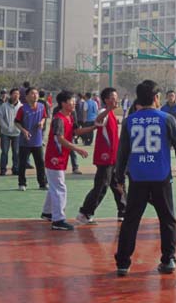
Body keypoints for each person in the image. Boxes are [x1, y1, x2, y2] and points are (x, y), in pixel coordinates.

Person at [114, 80, 176, 276]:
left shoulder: (129, 121)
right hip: (161, 176)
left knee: (131, 220)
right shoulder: (167, 119)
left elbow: (122, 152)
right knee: (167, 219)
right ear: (157, 98)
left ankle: (123, 262)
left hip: (137, 177)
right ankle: (168, 259)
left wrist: (119, 177)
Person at [41, 91, 93, 230]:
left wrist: (94, 127)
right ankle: (58, 220)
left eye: (74, 100)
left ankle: (47, 212)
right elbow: (60, 139)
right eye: (71, 101)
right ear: (63, 103)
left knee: (55, 186)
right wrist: (78, 149)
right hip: (54, 158)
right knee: (60, 187)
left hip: (61, 157)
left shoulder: (70, 116)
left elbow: (77, 131)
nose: (74, 103)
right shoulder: (58, 119)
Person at [77, 87, 127, 224]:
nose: (116, 100)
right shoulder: (103, 112)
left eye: (116, 97)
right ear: (106, 100)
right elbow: (97, 121)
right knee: (101, 186)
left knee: (119, 185)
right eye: (113, 98)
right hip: (105, 157)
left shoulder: (112, 115)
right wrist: (108, 109)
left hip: (114, 156)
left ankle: (123, 211)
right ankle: (85, 213)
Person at [15, 86, 47, 191]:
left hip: (37, 141)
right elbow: (16, 122)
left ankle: (43, 183)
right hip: (25, 141)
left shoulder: (42, 106)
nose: (35, 95)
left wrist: (41, 123)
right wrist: (24, 131)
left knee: (40, 163)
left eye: (36, 93)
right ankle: (22, 183)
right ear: (27, 96)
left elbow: (44, 117)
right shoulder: (22, 109)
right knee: (22, 163)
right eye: (32, 93)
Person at [0, 88, 22, 176]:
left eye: (18, 94)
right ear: (10, 95)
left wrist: (20, 128)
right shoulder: (4, 106)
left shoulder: (21, 107)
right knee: (4, 152)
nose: (16, 95)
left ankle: (16, 169)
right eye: (14, 93)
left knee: (16, 152)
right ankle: (3, 170)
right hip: (5, 133)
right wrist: (6, 128)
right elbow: (0, 118)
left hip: (17, 133)